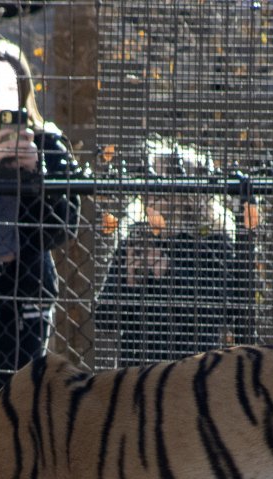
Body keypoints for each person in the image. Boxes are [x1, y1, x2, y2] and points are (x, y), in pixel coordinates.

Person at [0, 39, 82, 434]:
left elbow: (61, 227)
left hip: (21, 297)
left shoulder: (45, 143)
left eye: (10, 89)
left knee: (17, 425)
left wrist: (34, 176)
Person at [95, 137, 256, 365]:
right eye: (146, 179)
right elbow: (103, 318)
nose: (147, 190)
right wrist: (129, 285)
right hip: (137, 369)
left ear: (186, 193)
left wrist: (168, 272)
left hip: (192, 368)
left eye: (156, 182)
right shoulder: (136, 238)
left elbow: (225, 314)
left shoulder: (214, 242)